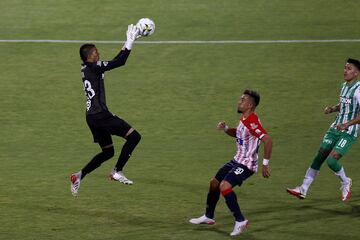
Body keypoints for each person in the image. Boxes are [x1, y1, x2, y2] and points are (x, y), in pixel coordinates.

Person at [70, 24, 142, 196]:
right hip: (101, 115)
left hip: (91, 117)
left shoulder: (87, 68)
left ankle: (79, 175)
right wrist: (130, 42)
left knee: (108, 151)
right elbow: (120, 62)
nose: (98, 54)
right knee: (134, 137)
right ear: (89, 56)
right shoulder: (94, 67)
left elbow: (113, 61)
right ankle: (117, 171)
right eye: (95, 53)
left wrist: (127, 43)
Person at [189, 90, 273, 236]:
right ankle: (209, 216)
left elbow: (267, 140)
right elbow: (239, 133)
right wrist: (227, 129)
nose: (239, 101)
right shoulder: (244, 119)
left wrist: (265, 164)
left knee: (224, 186)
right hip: (237, 160)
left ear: (250, 104)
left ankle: (240, 220)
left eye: (243, 100)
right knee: (214, 183)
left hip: (247, 164)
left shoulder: (252, 121)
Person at [287, 58, 360, 201]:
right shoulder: (344, 86)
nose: (345, 71)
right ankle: (303, 188)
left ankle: (346, 181)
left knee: (332, 161)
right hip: (335, 127)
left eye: (349, 68)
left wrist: (346, 125)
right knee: (319, 156)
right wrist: (333, 108)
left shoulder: (359, 89)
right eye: (345, 67)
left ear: (356, 73)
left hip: (349, 131)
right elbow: (345, 104)